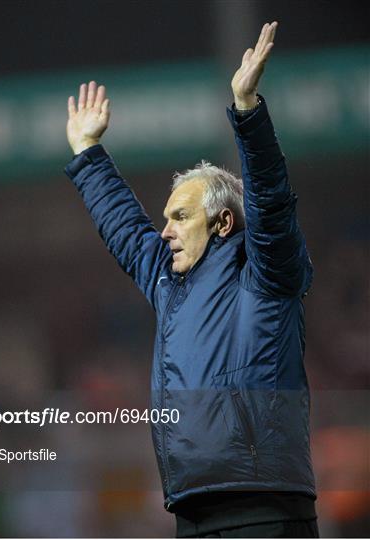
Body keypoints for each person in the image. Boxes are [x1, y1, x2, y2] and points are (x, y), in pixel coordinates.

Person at [64, 21, 319, 539]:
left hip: (265, 509)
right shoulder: (168, 283)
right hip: (192, 512)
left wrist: (247, 112)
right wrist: (88, 153)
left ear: (223, 223)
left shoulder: (266, 274)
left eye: (180, 216)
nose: (166, 231)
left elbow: (270, 202)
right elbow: (126, 231)